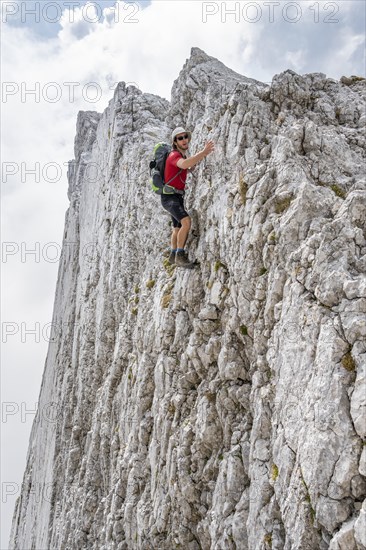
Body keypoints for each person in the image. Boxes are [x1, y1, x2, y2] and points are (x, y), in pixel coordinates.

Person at [161, 127, 215, 268]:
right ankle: (180, 255)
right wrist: (203, 153)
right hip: (170, 198)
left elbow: (183, 167)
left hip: (174, 197)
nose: (184, 140)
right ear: (175, 142)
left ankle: (173, 255)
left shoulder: (180, 156)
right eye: (180, 138)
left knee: (177, 227)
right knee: (186, 222)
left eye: (185, 136)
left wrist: (190, 168)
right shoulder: (174, 156)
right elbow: (183, 164)